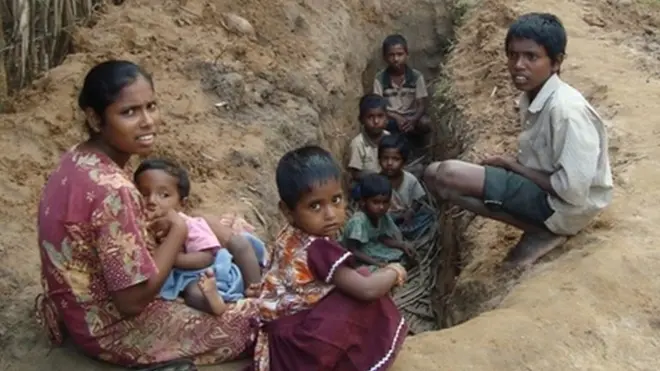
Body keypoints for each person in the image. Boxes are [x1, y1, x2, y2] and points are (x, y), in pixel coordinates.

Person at [35, 60, 258, 369]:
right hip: (111, 330)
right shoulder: (115, 190)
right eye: (129, 112)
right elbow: (132, 302)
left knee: (229, 225)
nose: (148, 121)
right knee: (253, 325)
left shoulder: (77, 157)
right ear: (95, 118)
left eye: (151, 106)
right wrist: (177, 231)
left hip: (74, 306)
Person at [423, 13, 613, 268]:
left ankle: (545, 230)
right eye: (513, 55)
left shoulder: (567, 112)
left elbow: (572, 192)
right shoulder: (535, 97)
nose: (518, 65)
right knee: (435, 177)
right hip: (550, 193)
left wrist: (513, 167)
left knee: (446, 175)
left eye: (531, 57)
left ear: (556, 63)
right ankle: (539, 226)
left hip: (565, 207)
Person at [248, 146, 408, 371]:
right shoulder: (318, 247)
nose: (331, 214)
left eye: (336, 200)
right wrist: (394, 271)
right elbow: (367, 290)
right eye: (315, 206)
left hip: (279, 341)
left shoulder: (289, 234)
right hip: (302, 347)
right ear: (287, 210)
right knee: (368, 293)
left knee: (356, 279)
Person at [133, 158, 266, 315]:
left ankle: (254, 291)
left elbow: (205, 257)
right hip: (187, 280)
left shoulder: (189, 225)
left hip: (209, 272)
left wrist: (170, 258)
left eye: (164, 195)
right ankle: (217, 304)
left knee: (240, 245)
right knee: (192, 294)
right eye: (144, 194)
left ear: (182, 203)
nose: (151, 201)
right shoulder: (137, 226)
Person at [342, 173, 415, 271]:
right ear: (363, 201)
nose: (381, 207)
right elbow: (352, 250)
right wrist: (377, 263)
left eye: (385, 202)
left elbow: (382, 237)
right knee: (378, 269)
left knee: (405, 256)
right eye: (376, 202)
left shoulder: (382, 216)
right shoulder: (358, 221)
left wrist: (402, 245)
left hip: (373, 247)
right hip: (358, 255)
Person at [373, 34, 430, 146]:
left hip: (412, 118)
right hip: (391, 118)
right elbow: (378, 106)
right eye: (391, 55)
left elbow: (421, 105)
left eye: (400, 54)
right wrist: (396, 117)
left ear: (407, 54)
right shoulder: (380, 79)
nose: (396, 59)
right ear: (385, 57)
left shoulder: (416, 76)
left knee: (425, 123)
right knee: (378, 123)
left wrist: (413, 119)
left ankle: (420, 146)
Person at [379, 134, 434, 239]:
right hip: (386, 218)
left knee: (428, 216)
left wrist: (410, 212)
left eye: (395, 159)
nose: (389, 163)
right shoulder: (376, 181)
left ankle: (401, 234)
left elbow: (419, 199)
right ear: (379, 159)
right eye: (385, 158)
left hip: (406, 217)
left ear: (404, 162)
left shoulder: (410, 179)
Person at [347, 93, 390, 200]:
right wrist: (378, 176)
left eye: (380, 116)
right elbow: (355, 174)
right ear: (361, 120)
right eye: (370, 117)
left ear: (386, 118)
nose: (376, 121)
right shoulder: (358, 143)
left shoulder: (388, 137)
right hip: (368, 185)